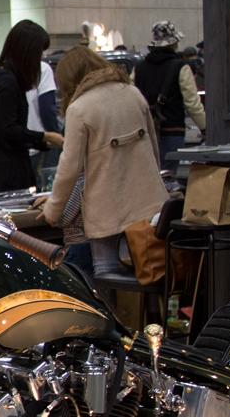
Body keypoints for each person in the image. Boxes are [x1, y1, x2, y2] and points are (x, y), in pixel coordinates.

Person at [40, 54, 165, 281]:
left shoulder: (80, 108)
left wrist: (52, 210)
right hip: (146, 205)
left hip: (107, 210)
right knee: (148, 275)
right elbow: (152, 148)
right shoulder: (132, 93)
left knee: (106, 282)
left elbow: (69, 168)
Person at [0, 19, 63, 191]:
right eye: (38, 53)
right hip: (7, 171)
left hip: (13, 164)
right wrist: (45, 137)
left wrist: (44, 144)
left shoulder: (8, 79)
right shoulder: (7, 82)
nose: (39, 59)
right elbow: (8, 130)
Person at [132, 21, 199, 169]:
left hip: (144, 132)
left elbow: (130, 98)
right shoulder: (181, 68)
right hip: (172, 131)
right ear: (174, 43)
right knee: (168, 177)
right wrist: (205, 127)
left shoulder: (139, 68)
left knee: (147, 177)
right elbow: (192, 104)